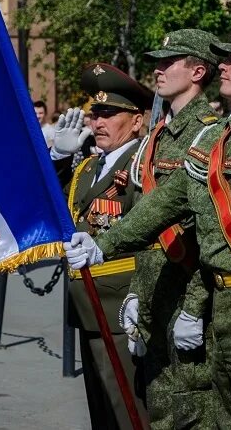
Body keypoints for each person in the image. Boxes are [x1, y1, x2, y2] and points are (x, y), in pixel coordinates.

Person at [65, 25, 231, 429]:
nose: (225, 65)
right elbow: (162, 206)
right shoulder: (193, 134)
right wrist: (129, 277)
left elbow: (218, 234)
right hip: (166, 290)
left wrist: (193, 305)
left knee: (205, 414)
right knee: (169, 412)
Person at [124, 29, 221, 429]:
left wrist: (195, 309)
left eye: (169, 62)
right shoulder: (159, 136)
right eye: (157, 62)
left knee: (190, 412)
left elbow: (208, 230)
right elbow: (145, 220)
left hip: (185, 293)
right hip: (155, 294)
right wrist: (135, 292)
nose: (158, 70)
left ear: (198, 71)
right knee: (160, 411)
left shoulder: (210, 133)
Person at [51, 63, 152, 430]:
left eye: (110, 114)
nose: (98, 123)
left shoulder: (142, 164)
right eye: (95, 114)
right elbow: (59, 214)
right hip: (87, 306)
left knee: (128, 410)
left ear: (137, 121)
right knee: (103, 413)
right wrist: (59, 161)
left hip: (121, 308)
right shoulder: (89, 167)